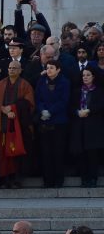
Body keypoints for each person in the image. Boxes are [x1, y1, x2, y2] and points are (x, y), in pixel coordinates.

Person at [0, 60, 35, 188]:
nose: (11, 70)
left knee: (17, 151)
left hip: (18, 125)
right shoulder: (0, 84)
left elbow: (29, 104)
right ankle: (4, 179)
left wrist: (12, 108)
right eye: (10, 68)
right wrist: (2, 109)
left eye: (14, 68)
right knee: (2, 153)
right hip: (3, 124)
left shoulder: (25, 85)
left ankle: (17, 179)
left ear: (20, 70)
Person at [35, 59, 70, 188]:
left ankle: (58, 180)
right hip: (44, 121)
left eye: (51, 68)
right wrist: (42, 110)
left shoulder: (65, 82)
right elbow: (38, 98)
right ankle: (48, 180)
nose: (48, 70)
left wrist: (50, 111)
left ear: (58, 69)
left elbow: (64, 101)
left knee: (58, 152)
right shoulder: (41, 81)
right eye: (47, 67)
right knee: (46, 152)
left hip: (59, 122)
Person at [68, 66, 104, 188]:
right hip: (79, 126)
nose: (85, 77)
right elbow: (70, 107)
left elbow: (101, 105)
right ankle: (84, 178)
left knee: (92, 154)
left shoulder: (99, 91)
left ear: (93, 77)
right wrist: (77, 112)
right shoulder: (77, 91)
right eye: (83, 75)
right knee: (81, 153)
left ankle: (93, 178)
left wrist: (89, 110)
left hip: (93, 126)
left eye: (88, 75)